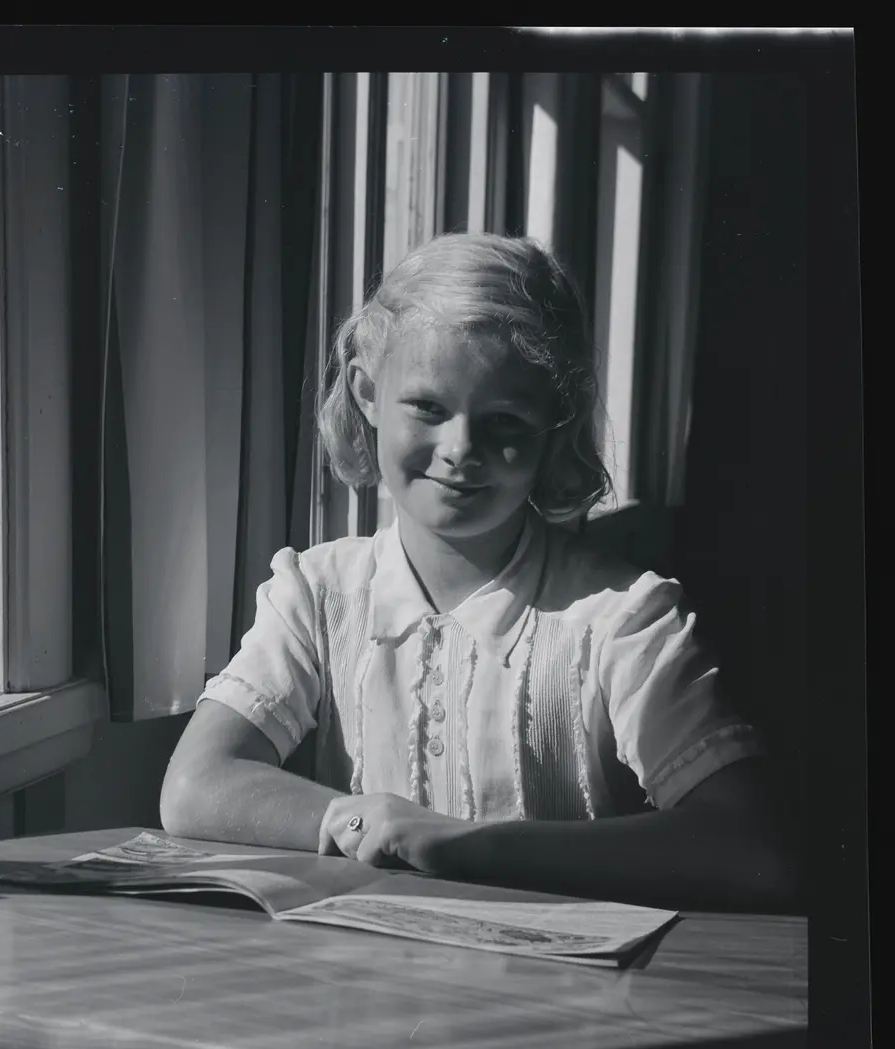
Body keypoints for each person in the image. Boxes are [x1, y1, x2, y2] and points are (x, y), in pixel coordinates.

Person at [160, 233, 798, 912]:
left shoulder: (622, 618)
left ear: (556, 425)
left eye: (505, 421)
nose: (460, 449)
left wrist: (467, 846)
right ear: (368, 393)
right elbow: (195, 785)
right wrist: (367, 823)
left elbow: (750, 847)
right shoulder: (317, 595)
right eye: (428, 408)